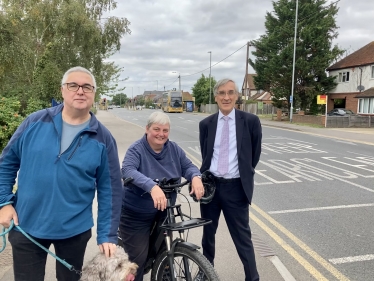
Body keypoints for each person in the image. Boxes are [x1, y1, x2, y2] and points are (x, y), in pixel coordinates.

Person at [0, 66, 123, 281]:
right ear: (63, 90)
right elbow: (6, 163)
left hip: (74, 230)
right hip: (26, 225)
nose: (80, 91)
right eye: (73, 85)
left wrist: (107, 234)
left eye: (87, 87)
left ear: (93, 93)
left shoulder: (103, 138)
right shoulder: (34, 122)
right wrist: (4, 203)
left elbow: (110, 190)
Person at [119, 111, 204, 281]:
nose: (161, 134)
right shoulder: (137, 149)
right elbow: (127, 170)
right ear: (147, 129)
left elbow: (188, 166)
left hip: (166, 210)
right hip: (137, 213)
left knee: (165, 253)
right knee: (137, 261)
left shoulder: (173, 149)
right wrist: (152, 187)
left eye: (165, 130)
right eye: (156, 129)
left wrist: (195, 177)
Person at [198, 78, 262, 281]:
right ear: (216, 97)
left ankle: (252, 277)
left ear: (236, 96)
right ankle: (205, 273)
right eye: (222, 93)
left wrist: (241, 173)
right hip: (212, 188)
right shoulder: (205, 124)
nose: (226, 97)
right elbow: (206, 154)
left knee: (243, 238)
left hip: (236, 188)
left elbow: (254, 156)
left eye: (230, 92)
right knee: (208, 236)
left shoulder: (250, 121)